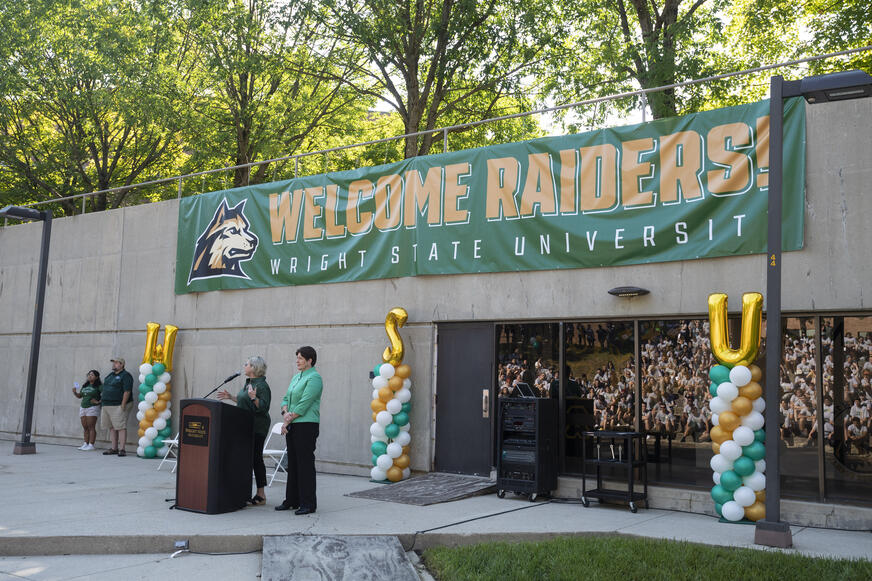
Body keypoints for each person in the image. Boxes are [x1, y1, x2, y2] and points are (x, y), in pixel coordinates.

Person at [217, 356, 271, 506]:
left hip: (257, 427)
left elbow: (263, 407)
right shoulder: (249, 382)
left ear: (254, 368)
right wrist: (230, 397)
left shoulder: (262, 386)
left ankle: (261, 495)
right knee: (244, 458)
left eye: (246, 364)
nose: (244, 366)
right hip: (244, 425)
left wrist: (254, 398)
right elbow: (244, 401)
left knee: (255, 458)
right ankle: (241, 491)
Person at [275, 346, 322, 515]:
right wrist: (285, 413)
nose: (297, 361)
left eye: (301, 358)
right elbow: (285, 399)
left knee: (305, 464)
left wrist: (288, 418)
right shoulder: (296, 377)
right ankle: (292, 500)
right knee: (293, 463)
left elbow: (305, 402)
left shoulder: (315, 378)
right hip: (293, 423)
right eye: (297, 358)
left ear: (310, 360)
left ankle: (308, 504)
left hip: (306, 425)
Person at [100, 356, 133, 456]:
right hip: (106, 405)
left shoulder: (126, 375)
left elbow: (127, 391)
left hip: (118, 405)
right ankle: (114, 448)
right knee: (111, 427)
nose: (113, 364)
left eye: (116, 363)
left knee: (120, 426)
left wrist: (123, 405)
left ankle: (122, 449)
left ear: (122, 365)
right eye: (113, 362)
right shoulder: (110, 375)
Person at [72, 370, 102, 450]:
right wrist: (75, 392)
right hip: (83, 407)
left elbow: (105, 394)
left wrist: (98, 402)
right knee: (85, 427)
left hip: (92, 407)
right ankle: (85, 443)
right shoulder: (85, 385)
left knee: (91, 426)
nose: (89, 376)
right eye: (89, 374)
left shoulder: (99, 386)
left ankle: (91, 445)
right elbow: (80, 396)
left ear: (96, 377)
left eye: (92, 375)